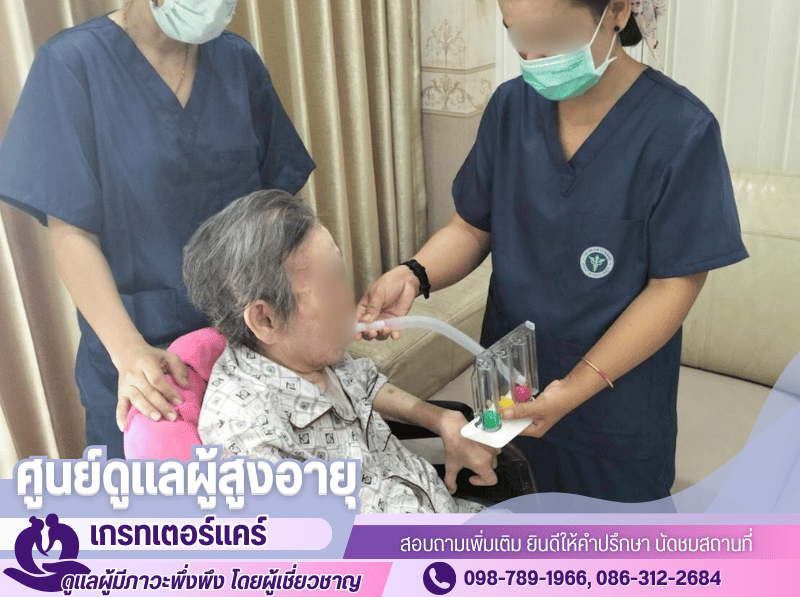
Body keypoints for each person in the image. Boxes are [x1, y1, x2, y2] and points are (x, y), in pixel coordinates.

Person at [356, 0, 749, 503]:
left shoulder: (681, 131)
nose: (534, 58)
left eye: (552, 35)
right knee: (518, 526)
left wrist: (576, 388)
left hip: (612, 410)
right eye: (517, 35)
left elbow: (673, 286)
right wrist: (414, 273)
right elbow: (471, 227)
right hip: (507, 389)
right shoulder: (509, 108)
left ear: (617, 10)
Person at [0, 0, 314, 459]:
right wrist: (129, 352)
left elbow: (275, 211)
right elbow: (71, 233)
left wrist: (311, 304)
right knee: (155, 502)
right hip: (144, 356)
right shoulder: (73, 65)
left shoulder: (237, 61)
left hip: (246, 347)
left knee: (266, 497)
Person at [183, 189, 501, 513]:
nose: (349, 296)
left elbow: (363, 383)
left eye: (341, 271)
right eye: (330, 283)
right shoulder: (249, 442)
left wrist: (442, 419)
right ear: (266, 319)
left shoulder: (306, 352)